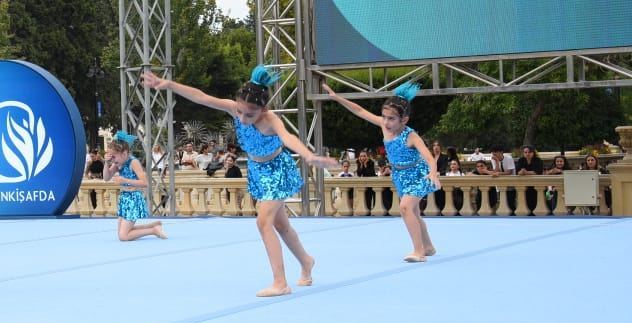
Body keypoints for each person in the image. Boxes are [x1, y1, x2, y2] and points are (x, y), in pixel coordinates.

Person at [144, 66, 338, 297]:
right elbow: (202, 97)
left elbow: (289, 137)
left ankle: (280, 282)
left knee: (263, 222)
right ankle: (306, 261)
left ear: (263, 109)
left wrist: (309, 156)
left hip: (276, 169)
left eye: (250, 115)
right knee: (281, 225)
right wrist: (168, 85)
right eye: (240, 112)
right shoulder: (235, 109)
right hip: (257, 169)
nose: (243, 119)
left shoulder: (270, 119)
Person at [324, 81, 440, 262]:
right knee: (414, 213)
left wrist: (433, 173)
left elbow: (429, 157)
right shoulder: (384, 126)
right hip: (400, 176)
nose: (386, 122)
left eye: (391, 118)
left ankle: (419, 251)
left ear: (404, 120)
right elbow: (360, 111)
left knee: (405, 208)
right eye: (384, 117)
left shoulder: (411, 135)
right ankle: (429, 246)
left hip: (418, 174)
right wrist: (337, 97)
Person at [102, 130, 166, 241]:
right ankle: (153, 226)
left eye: (114, 157)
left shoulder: (133, 162)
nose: (112, 160)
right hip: (124, 198)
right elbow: (106, 178)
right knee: (122, 232)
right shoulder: (118, 163)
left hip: (133, 198)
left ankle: (153, 230)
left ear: (124, 153)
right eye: (111, 157)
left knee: (123, 236)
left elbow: (145, 183)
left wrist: (124, 180)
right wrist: (106, 163)